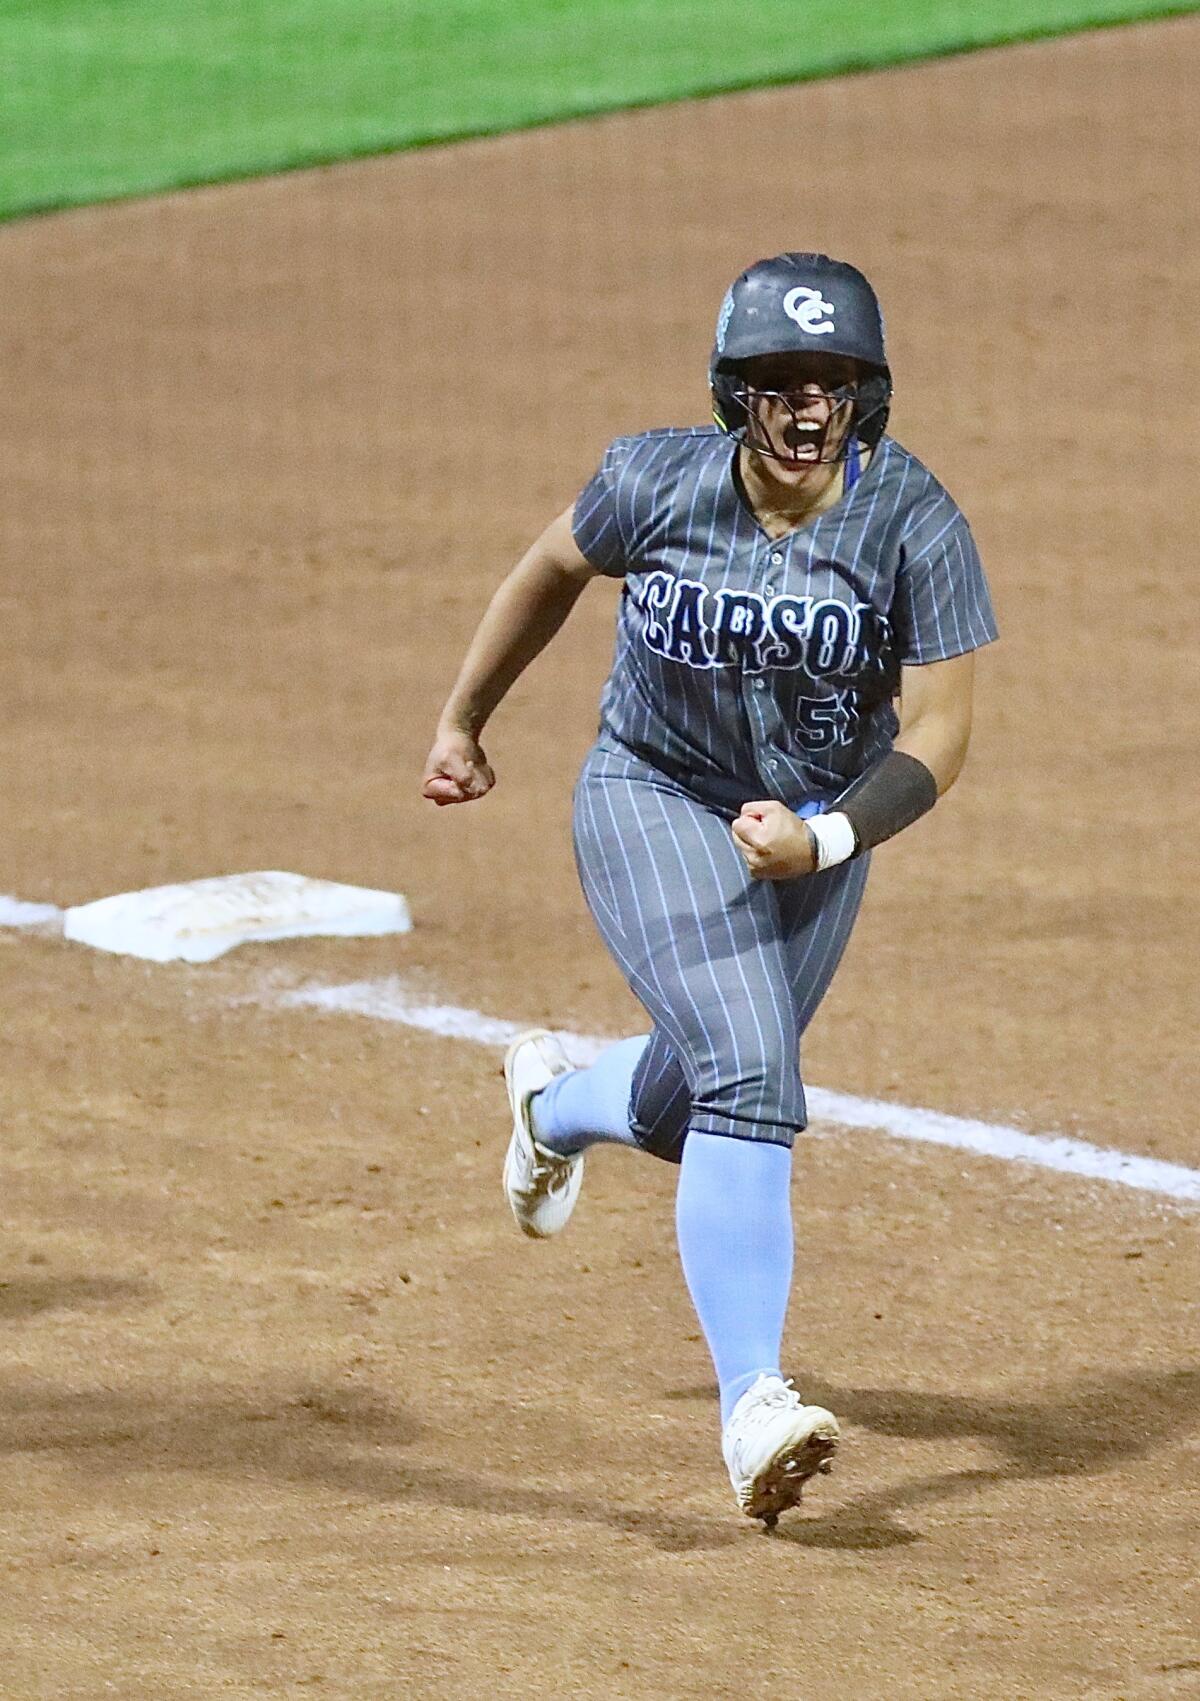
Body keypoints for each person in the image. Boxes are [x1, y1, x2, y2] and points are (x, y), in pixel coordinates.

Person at [422, 252, 997, 1528]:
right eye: (780, 385)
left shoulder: (915, 522)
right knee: (751, 1071)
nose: (807, 411)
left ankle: (554, 1107)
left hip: (816, 829)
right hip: (653, 795)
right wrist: (464, 721)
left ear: (868, 396)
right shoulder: (653, 478)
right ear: (734, 392)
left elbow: (943, 733)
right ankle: (753, 1408)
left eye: (834, 385)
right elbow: (550, 570)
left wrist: (830, 839)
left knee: (705, 1102)